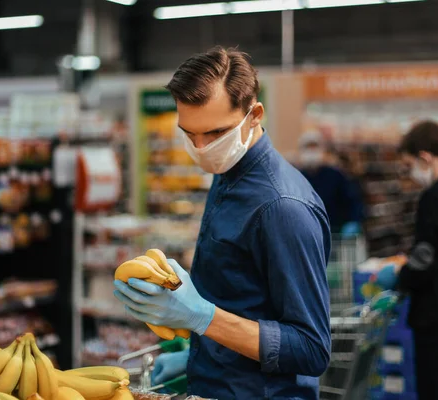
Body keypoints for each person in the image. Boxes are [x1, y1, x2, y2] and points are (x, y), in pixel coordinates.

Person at [113, 47, 331, 399]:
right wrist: (196, 355)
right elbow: (245, 299)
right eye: (189, 133)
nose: (201, 149)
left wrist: (202, 318)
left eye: (215, 134)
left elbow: (311, 349)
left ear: (255, 115)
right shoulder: (228, 171)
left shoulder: (282, 208)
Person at [375, 120, 438, 400]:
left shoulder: (435, 197)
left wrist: (399, 277)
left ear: (425, 157)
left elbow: (426, 260)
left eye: (410, 166)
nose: (411, 175)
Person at [298, 132, 364, 238]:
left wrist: (354, 221)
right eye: (308, 148)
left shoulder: (335, 175)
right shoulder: (295, 177)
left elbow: (352, 200)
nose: (311, 153)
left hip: (335, 234)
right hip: (306, 235)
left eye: (314, 148)